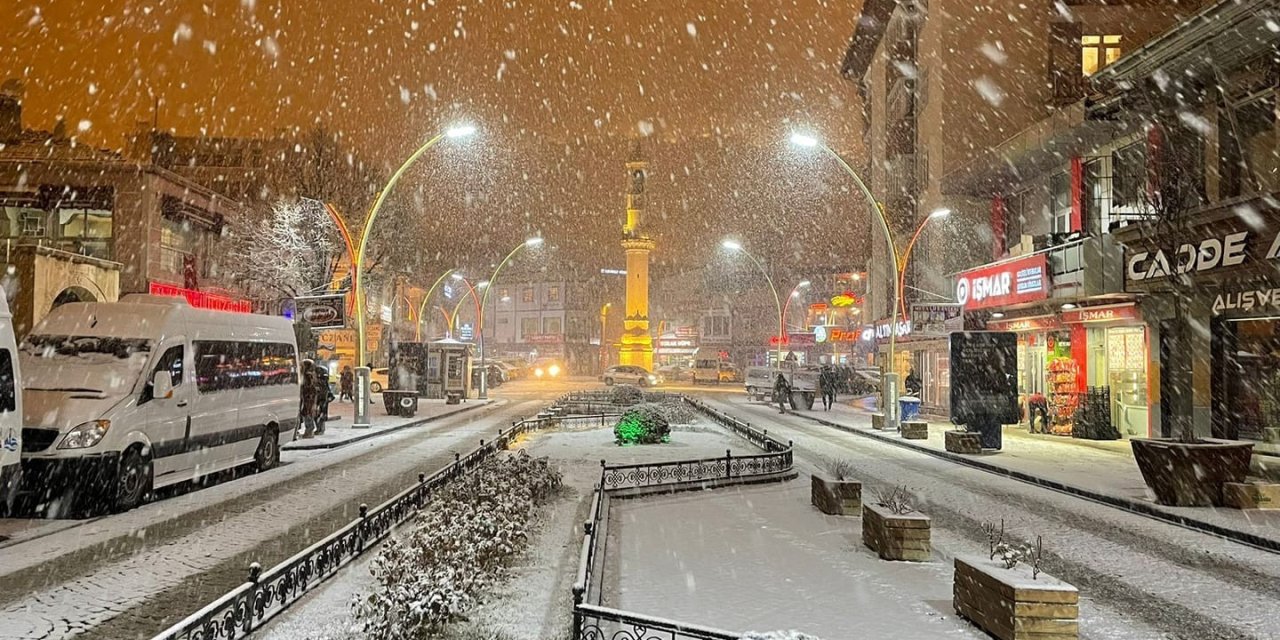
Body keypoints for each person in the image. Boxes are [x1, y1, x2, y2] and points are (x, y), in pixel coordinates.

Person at [299, 360, 320, 439]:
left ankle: (309, 430)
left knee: (307, 413)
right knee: (307, 413)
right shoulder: (310, 375)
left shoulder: (308, 375)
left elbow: (310, 388)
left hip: (308, 398)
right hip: (308, 397)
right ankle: (309, 430)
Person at [314, 365, 334, 435]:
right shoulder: (323, 383)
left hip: (321, 400)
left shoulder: (320, 383)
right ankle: (320, 429)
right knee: (320, 415)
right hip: (321, 400)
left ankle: (320, 429)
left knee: (319, 415)